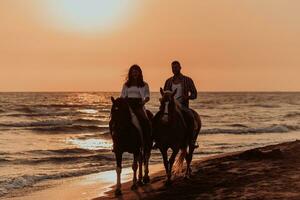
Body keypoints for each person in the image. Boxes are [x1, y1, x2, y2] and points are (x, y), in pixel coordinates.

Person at [163, 60, 198, 148]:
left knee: (191, 117)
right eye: (173, 68)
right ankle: (158, 140)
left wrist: (188, 97)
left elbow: (194, 94)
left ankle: (192, 141)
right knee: (160, 117)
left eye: (176, 67)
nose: (174, 69)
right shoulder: (168, 81)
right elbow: (165, 95)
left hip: (183, 106)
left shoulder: (188, 80)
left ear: (180, 68)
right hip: (171, 106)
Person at [120, 64, 151, 148]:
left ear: (139, 73)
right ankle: (117, 143)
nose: (135, 73)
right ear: (130, 73)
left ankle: (147, 141)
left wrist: (143, 102)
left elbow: (147, 97)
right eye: (133, 72)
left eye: (136, 72)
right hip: (128, 105)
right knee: (118, 121)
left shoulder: (144, 84)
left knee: (145, 121)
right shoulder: (126, 85)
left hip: (139, 105)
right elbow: (122, 96)